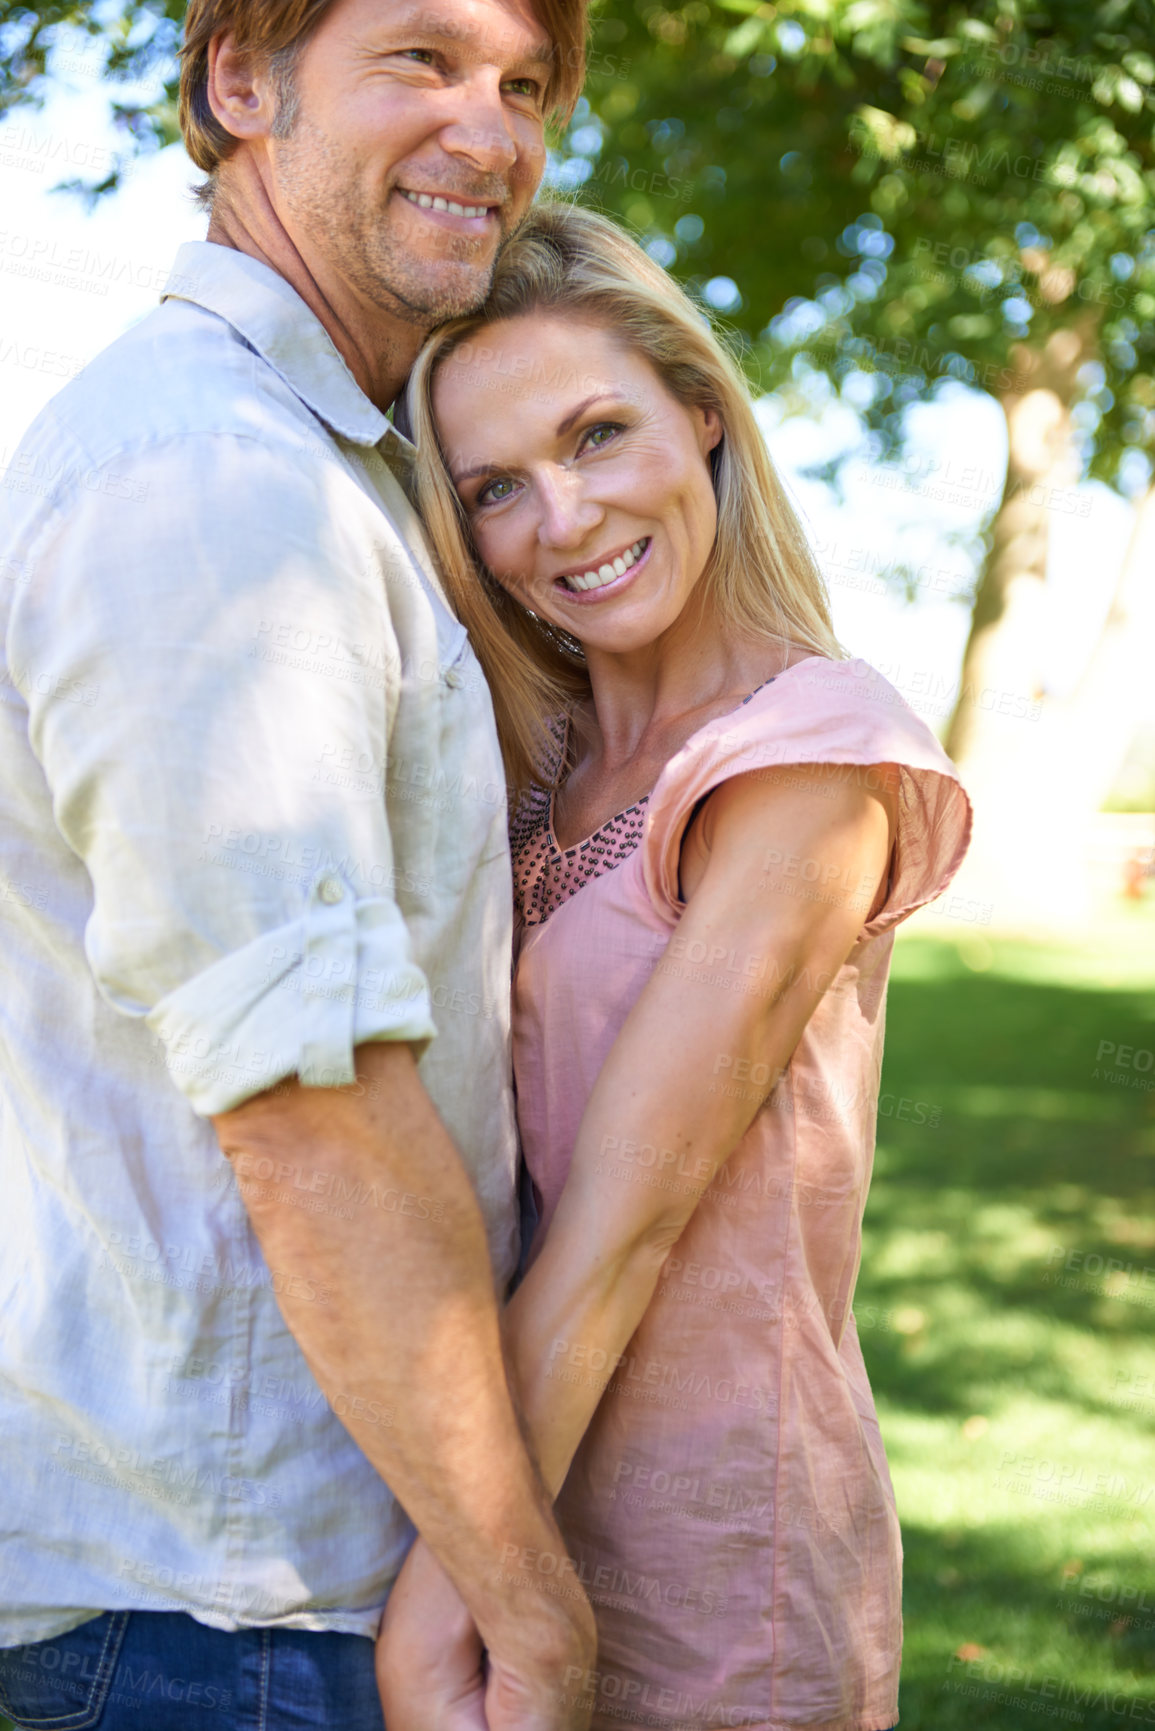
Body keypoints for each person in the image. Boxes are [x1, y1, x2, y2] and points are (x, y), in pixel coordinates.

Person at [0, 5, 596, 1730]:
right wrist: (537, 1616)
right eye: (421, 61)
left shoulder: (310, 463)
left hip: (263, 1594)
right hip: (228, 1617)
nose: (493, 133)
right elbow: (307, 1113)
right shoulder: (210, 484)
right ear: (239, 83)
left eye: (525, 86)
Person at [378, 201, 973, 1731]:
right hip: (518, 1494)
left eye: (598, 436)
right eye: (496, 487)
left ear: (701, 415)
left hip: (720, 1574)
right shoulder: (536, 767)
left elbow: (622, 1229)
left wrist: (458, 1594)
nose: (562, 520)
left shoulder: (807, 755)